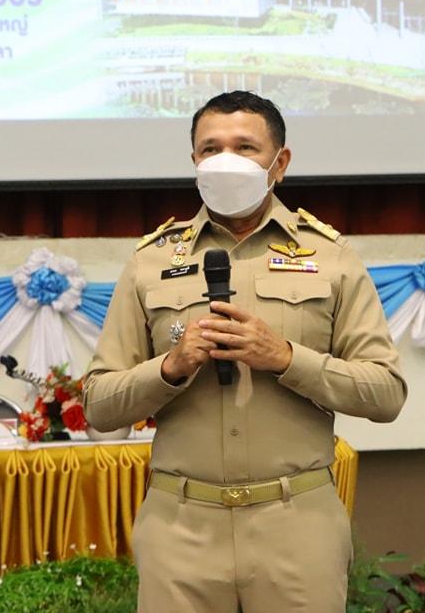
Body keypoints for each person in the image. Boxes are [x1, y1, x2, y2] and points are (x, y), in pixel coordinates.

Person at [83, 91, 407, 612]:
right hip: (179, 525)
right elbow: (99, 406)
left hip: (297, 522)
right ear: (193, 161)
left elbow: (386, 394)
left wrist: (285, 358)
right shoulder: (150, 260)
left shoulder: (331, 256)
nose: (225, 160)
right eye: (211, 149)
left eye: (245, 147)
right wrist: (171, 366)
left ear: (280, 163)